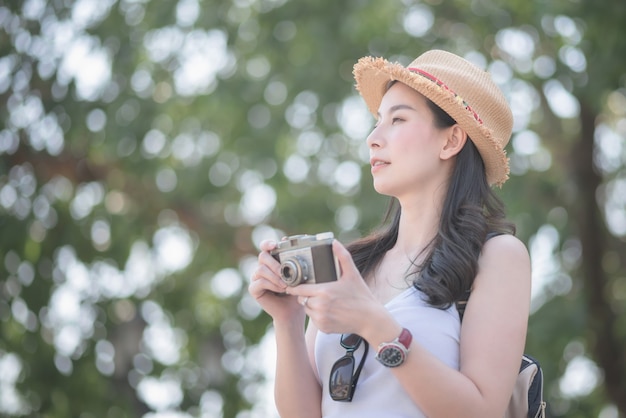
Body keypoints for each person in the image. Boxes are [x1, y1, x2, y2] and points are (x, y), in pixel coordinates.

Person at [248, 49, 531, 417]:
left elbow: (482, 411)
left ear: (451, 141)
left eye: (397, 119)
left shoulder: (497, 257)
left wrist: (373, 323)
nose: (373, 138)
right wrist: (286, 321)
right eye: (378, 120)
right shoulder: (352, 265)